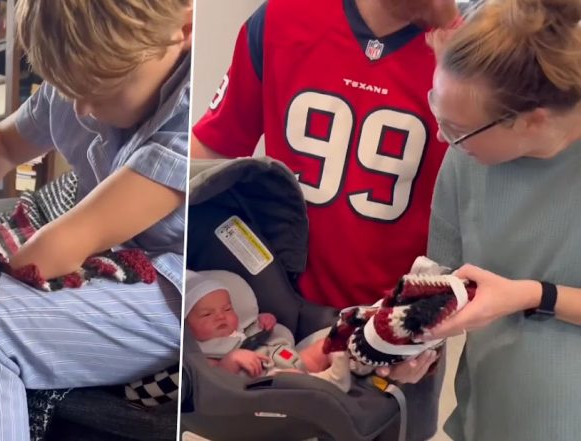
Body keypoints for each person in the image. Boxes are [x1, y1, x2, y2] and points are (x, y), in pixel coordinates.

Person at [0, 0, 192, 439]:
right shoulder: (82, 78)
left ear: (183, 29)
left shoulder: (193, 103)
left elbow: (69, 242)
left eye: (103, 90)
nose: (82, 109)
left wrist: (17, 249)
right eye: (68, 89)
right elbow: (3, 142)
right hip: (117, 270)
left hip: (183, 291)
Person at [191, 0, 457, 438]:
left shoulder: (465, 51)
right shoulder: (281, 18)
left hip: (397, 330)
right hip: (279, 316)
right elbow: (213, 146)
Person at [423, 0, 581, 439]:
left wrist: (531, 295)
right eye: (438, 108)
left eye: (457, 129)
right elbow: (443, 280)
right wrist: (409, 343)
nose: (443, 137)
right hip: (490, 418)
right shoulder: (466, 158)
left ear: (532, 121)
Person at [184, 271, 333, 377]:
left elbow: (252, 329)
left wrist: (263, 320)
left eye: (227, 309)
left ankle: (348, 349)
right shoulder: (203, 354)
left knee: (326, 345)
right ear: (186, 328)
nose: (221, 316)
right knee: (293, 378)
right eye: (207, 314)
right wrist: (231, 360)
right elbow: (214, 383)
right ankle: (323, 383)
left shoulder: (241, 329)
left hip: (289, 359)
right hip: (265, 383)